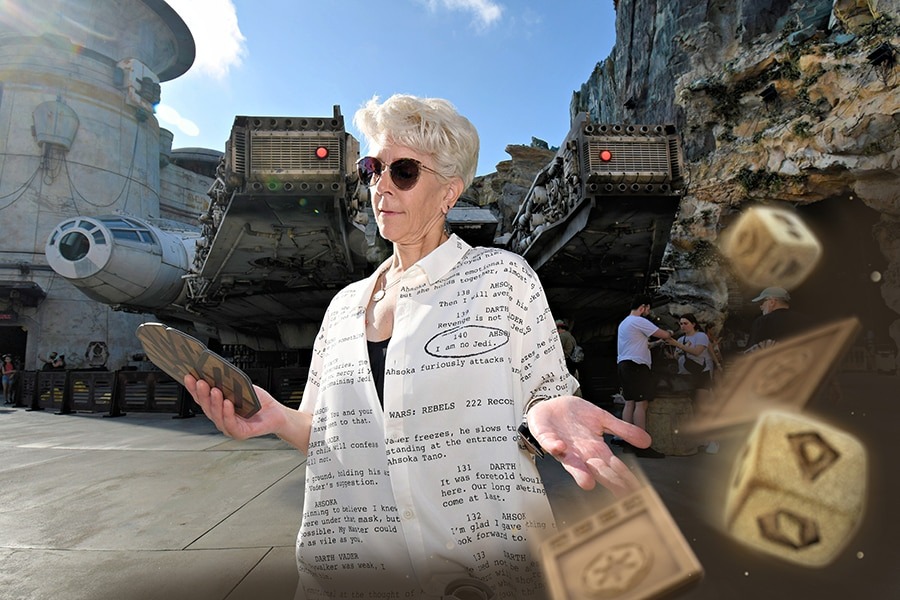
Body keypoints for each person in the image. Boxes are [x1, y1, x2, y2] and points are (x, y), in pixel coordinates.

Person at [183, 94, 652, 599]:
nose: (381, 185)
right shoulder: (342, 306)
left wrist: (544, 412)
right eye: (372, 168)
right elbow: (324, 434)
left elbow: (546, 399)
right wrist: (275, 418)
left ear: (450, 191)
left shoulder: (504, 281)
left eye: (403, 171)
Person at [616, 294, 674, 459]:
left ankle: (627, 442)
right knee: (642, 404)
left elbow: (643, 343)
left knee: (629, 403)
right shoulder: (639, 321)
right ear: (643, 307)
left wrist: (655, 344)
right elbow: (664, 334)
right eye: (648, 308)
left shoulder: (625, 323)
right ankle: (642, 445)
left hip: (624, 364)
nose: (649, 311)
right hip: (637, 366)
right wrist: (669, 332)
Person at [666, 313, 719, 454]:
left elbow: (697, 352)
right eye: (681, 324)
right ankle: (700, 438)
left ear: (693, 324)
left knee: (703, 407)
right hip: (685, 376)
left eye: (686, 323)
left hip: (701, 375)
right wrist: (673, 353)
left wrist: (678, 345)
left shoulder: (701, 336)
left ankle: (712, 439)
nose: (683, 326)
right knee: (692, 408)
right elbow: (677, 355)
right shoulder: (681, 339)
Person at [746, 286, 814, 351]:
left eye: (761, 302)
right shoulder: (806, 321)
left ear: (772, 302)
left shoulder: (762, 322)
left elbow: (752, 352)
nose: (761, 307)